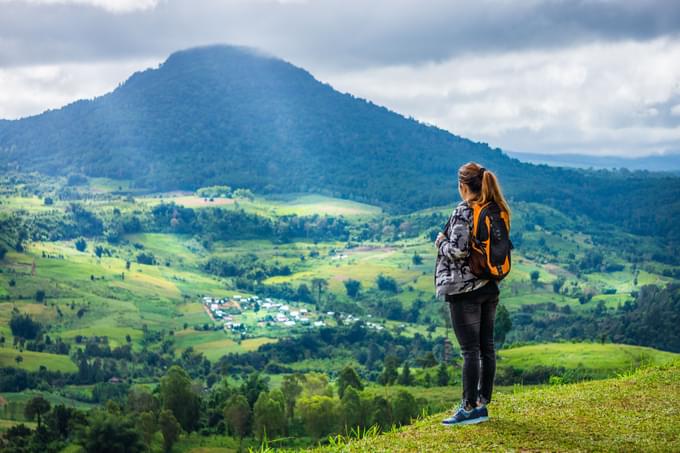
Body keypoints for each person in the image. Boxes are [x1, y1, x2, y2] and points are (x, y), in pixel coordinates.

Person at [434, 161, 511, 426]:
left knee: (469, 351)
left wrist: (441, 242)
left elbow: (458, 251)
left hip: (464, 290)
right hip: (490, 286)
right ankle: (482, 403)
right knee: (486, 347)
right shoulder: (495, 207)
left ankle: (467, 409)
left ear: (463, 186)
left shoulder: (464, 210)